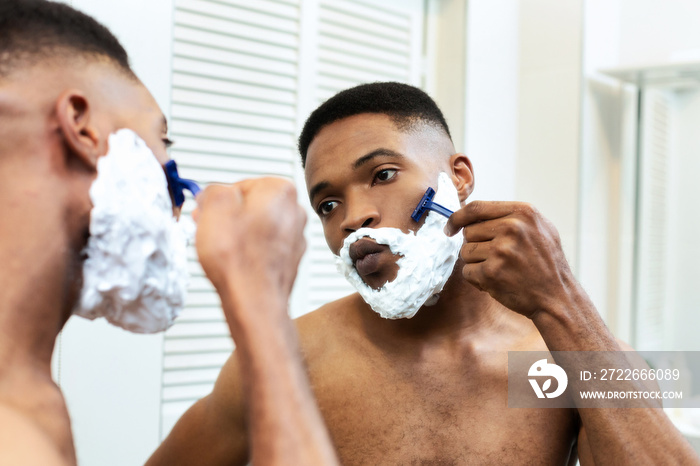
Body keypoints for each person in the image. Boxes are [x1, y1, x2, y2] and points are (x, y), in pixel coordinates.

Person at [152, 82, 700, 465]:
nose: (353, 218)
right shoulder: (293, 357)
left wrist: (559, 298)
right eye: (327, 206)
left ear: (457, 179)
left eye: (383, 174)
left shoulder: (550, 362)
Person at [0, 1, 337, 465]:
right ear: (84, 127)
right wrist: (259, 300)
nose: (178, 201)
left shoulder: (29, 395)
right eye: (164, 142)